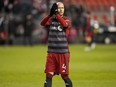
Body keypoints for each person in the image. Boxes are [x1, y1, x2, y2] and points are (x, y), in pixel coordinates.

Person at [40, 2, 73, 87]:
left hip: (63, 53)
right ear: (56, 9)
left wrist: (57, 14)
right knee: (48, 75)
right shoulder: (51, 19)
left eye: (62, 8)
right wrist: (49, 15)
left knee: (64, 76)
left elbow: (64, 24)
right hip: (51, 53)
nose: (61, 10)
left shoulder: (67, 20)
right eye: (59, 8)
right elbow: (42, 23)